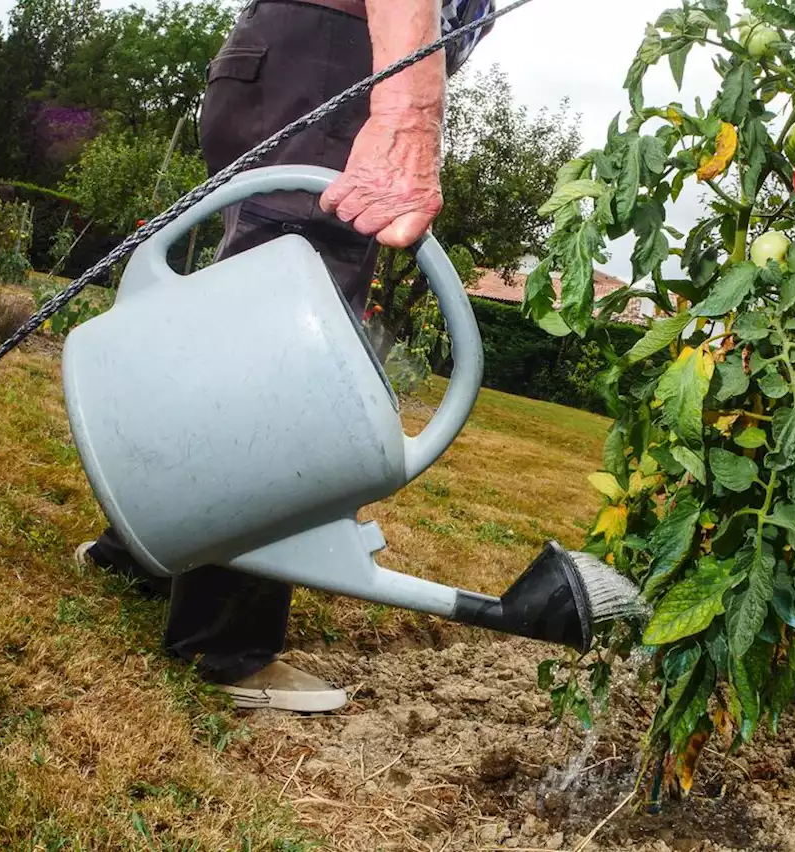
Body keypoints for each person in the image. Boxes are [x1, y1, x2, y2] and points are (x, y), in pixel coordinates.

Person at [75, 0, 493, 714]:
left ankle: (140, 546)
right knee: (288, 362)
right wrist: (407, 109)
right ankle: (225, 644)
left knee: (242, 319)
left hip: (284, 55)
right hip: (340, 56)